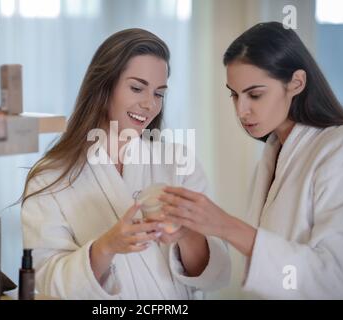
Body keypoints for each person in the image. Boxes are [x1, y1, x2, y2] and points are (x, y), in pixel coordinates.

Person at [160, 22, 343, 299]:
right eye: (234, 94)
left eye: (255, 94)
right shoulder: (273, 156)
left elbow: (336, 280)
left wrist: (225, 225)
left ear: (296, 83)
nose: (241, 110)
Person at [20, 28, 231, 299]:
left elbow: (217, 274)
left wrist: (185, 233)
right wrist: (107, 246)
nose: (149, 104)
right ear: (104, 86)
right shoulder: (50, 177)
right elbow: (48, 279)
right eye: (136, 88)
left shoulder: (179, 162)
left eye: (159, 93)